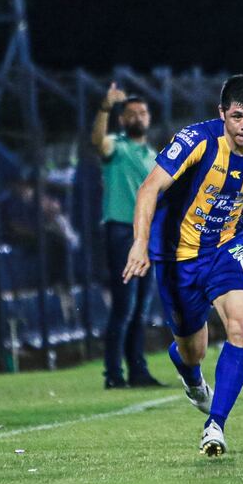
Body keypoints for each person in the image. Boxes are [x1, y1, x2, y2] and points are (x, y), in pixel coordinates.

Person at [122, 73, 243, 456]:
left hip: (226, 247)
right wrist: (139, 244)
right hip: (176, 257)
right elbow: (149, 189)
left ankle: (215, 425)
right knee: (193, 350)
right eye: (238, 115)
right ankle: (192, 379)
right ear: (221, 113)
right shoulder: (196, 141)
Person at [91, 84, 164, 389]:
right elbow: (97, 141)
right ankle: (113, 375)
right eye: (131, 113)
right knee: (124, 306)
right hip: (122, 231)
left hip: (147, 235)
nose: (138, 117)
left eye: (142, 112)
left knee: (142, 308)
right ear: (122, 119)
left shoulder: (154, 155)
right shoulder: (116, 147)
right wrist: (106, 107)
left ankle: (138, 371)